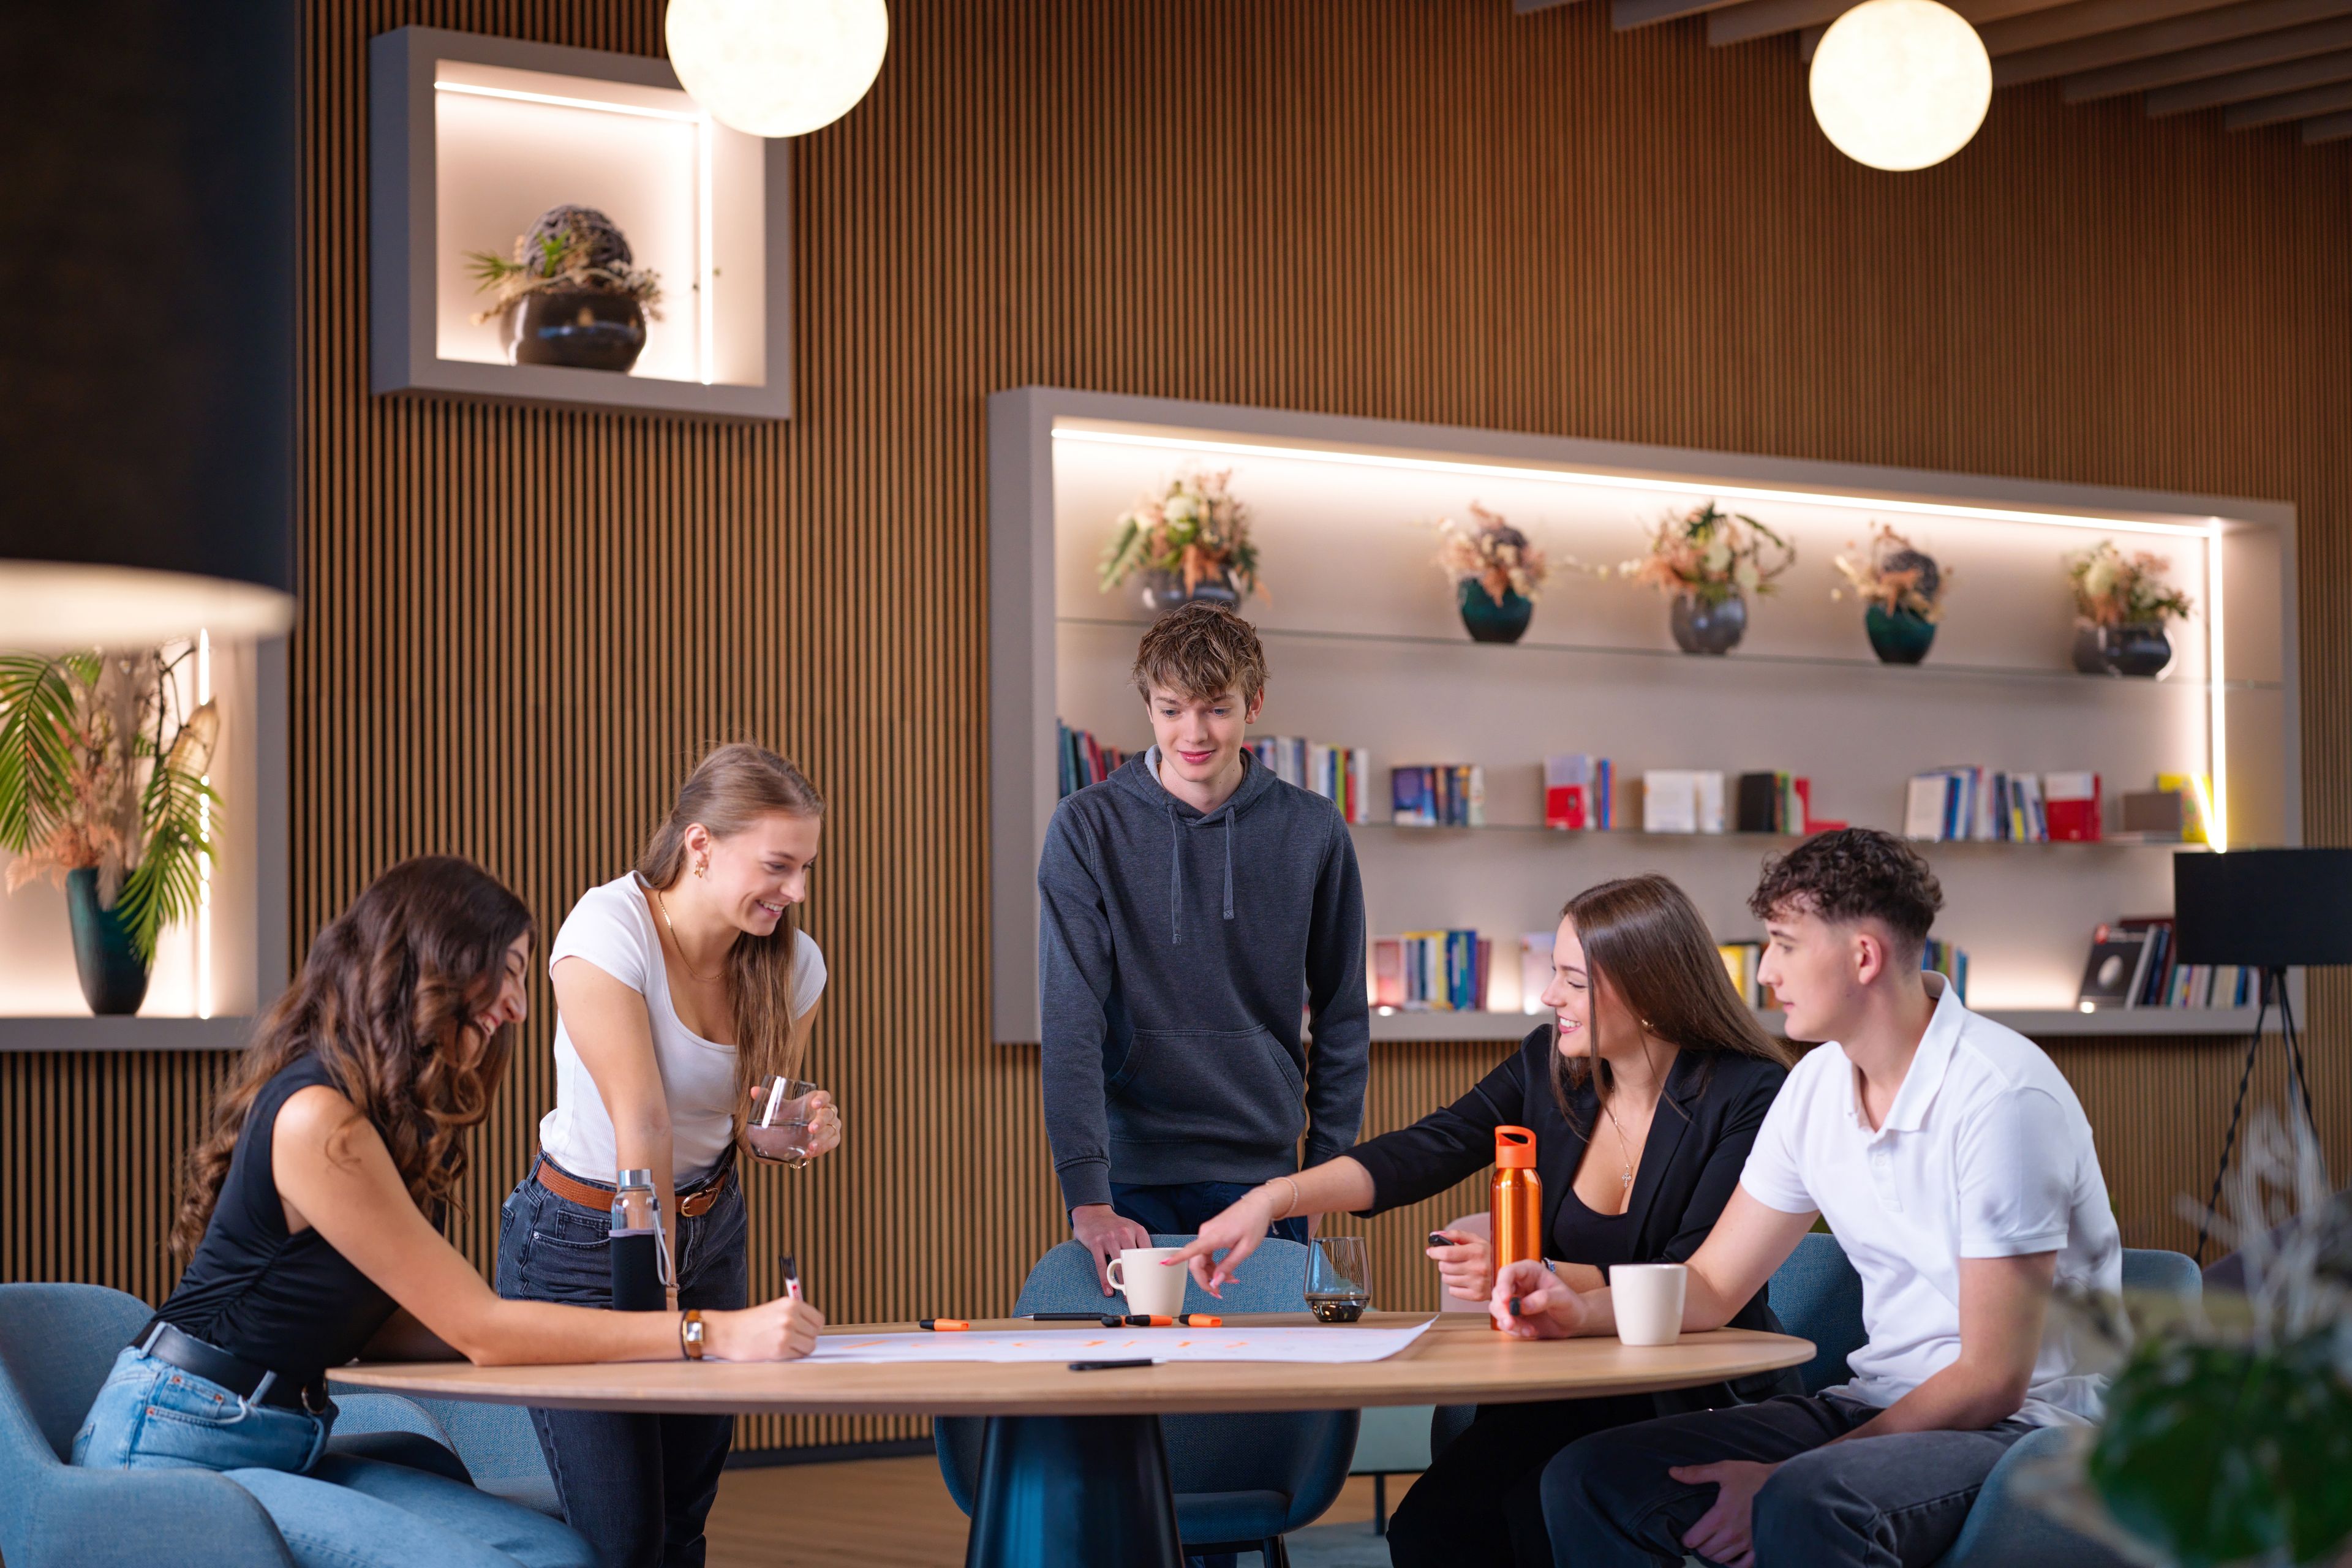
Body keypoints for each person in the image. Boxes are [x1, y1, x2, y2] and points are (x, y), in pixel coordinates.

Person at [72, 856, 824, 1568]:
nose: (521, 1006)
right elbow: (477, 1329)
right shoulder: (318, 1121)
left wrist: (568, 1338)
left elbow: (401, 1323)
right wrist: (710, 1330)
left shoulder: (377, 1114)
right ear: (437, 966)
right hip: (178, 1443)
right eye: (511, 973)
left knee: (551, 1550)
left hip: (278, 1429)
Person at [1502, 829, 2122, 1568]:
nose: (1766, 972)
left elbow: (1991, 1379)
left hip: (2028, 1431)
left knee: (1805, 1500)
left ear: (1863, 956)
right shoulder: (1816, 1086)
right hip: (1881, 1403)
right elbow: (1710, 1285)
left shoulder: (2002, 1096)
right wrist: (1581, 1310)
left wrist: (1785, 1474)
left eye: (1785, 945)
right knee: (1589, 1476)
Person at [1174, 874, 1796, 1566]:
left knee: (1534, 1523)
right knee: (1430, 1530)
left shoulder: (1747, 1092)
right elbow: (1427, 1146)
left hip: (1687, 1391)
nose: (1548, 996)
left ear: (1648, 988)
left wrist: (1537, 1272)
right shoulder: (1551, 1066)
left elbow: (1688, 1277)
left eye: (1571, 980)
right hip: (1564, 1386)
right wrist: (1275, 1198)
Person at [497, 743, 842, 1567]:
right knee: (623, 1539)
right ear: (700, 846)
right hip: (584, 1242)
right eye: (778, 866)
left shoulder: (793, 961)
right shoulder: (607, 927)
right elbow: (643, 1125)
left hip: (710, 1224)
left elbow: (749, 1121)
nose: (796, 892)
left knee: (683, 1523)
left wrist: (792, 1129)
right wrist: (675, 1317)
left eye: (805, 869)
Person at [1039, 602, 1371, 1292]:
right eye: (1171, 710)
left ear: (1253, 703)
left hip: (1267, 1180)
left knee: (1263, 1393)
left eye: (1216, 709)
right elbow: (1071, 1016)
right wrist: (1087, 1197)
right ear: (1148, 707)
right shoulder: (1086, 828)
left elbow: (1342, 1014)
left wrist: (1323, 1181)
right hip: (1128, 1179)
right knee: (1138, 1389)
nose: (1192, 733)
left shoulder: (1312, 829)